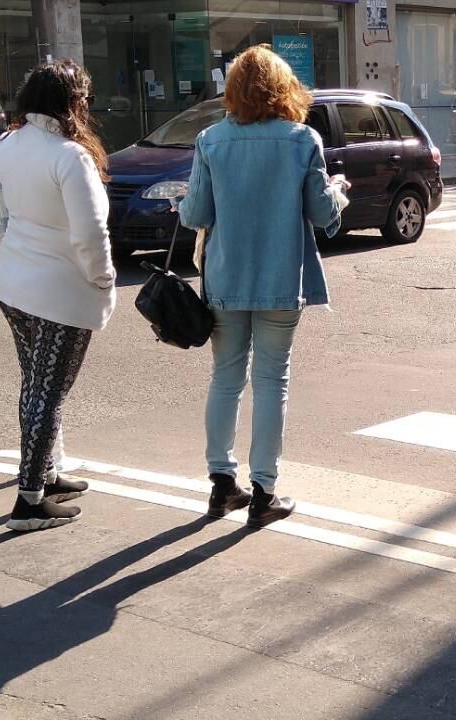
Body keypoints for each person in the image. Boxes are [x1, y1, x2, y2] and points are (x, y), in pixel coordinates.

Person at [178, 45, 348, 529]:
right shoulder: (301, 140)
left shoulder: (211, 140)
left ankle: (220, 483)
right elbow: (322, 215)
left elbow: (195, 215)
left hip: (225, 281)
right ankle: (264, 491)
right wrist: (338, 191)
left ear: (232, 91)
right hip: (279, 281)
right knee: (272, 382)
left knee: (226, 379)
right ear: (284, 89)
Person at [0, 59, 116, 532]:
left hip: (14, 284)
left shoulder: (11, 143)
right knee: (48, 394)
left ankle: (46, 476)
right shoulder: (69, 156)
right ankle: (29, 500)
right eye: (83, 99)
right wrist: (105, 278)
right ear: (71, 103)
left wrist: (3, 230)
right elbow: (90, 234)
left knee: (35, 385)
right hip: (62, 292)